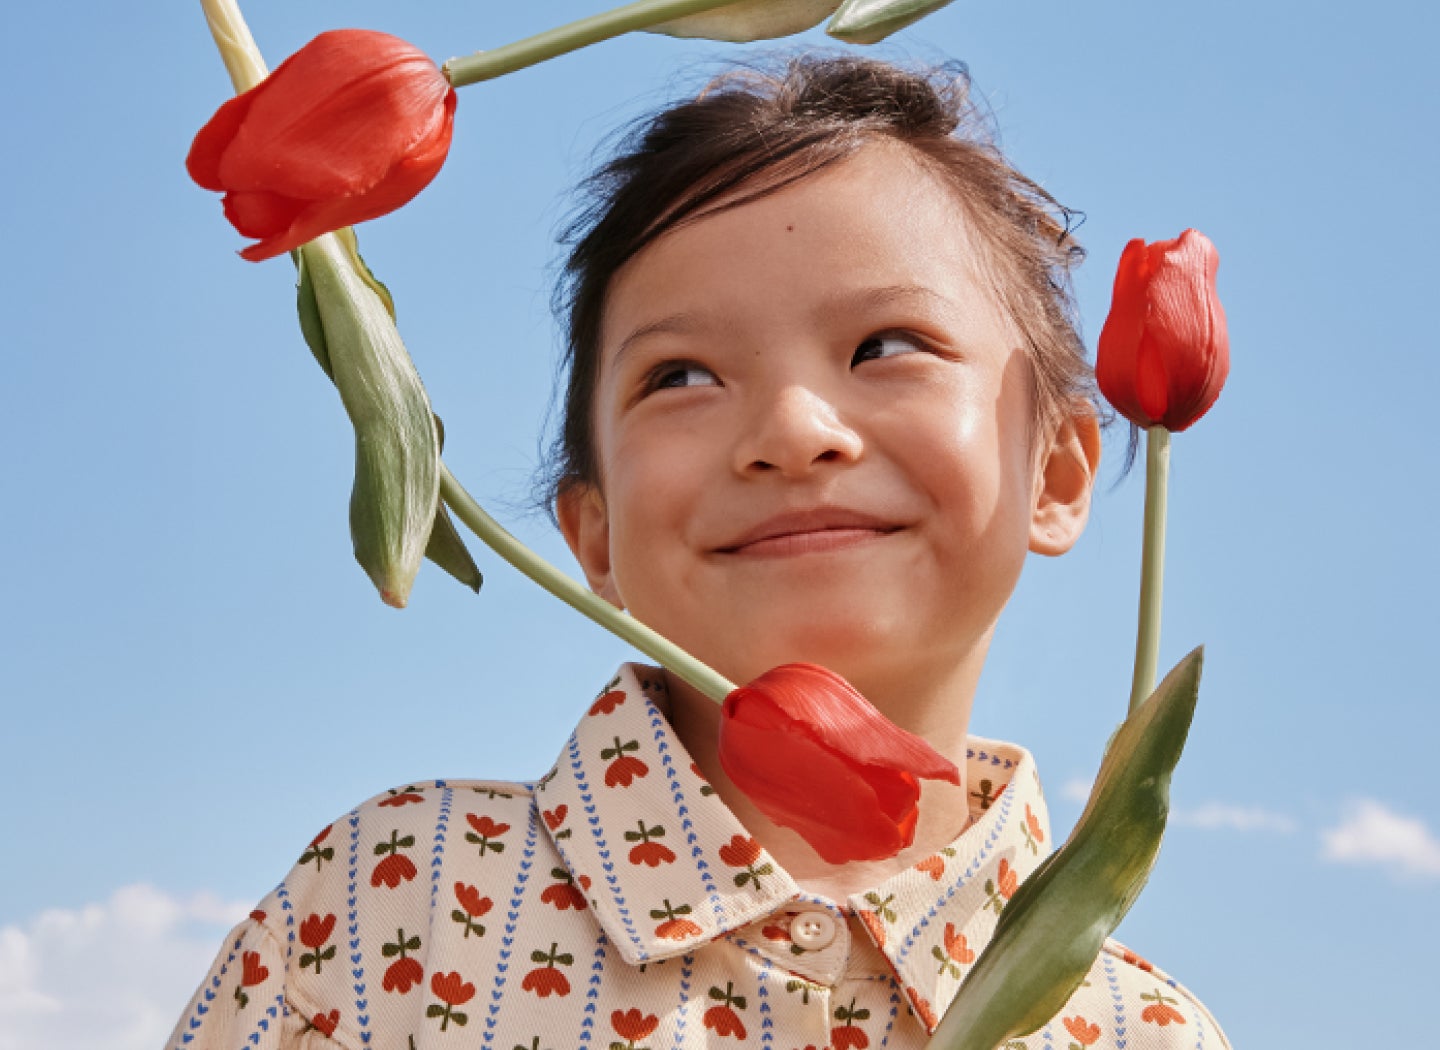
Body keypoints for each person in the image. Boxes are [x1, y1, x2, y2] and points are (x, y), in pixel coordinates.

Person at [168, 55, 1229, 1050]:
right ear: (595, 534)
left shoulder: (1142, 1030)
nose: (792, 430)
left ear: (1057, 475)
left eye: (886, 347)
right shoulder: (397, 907)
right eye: (680, 376)